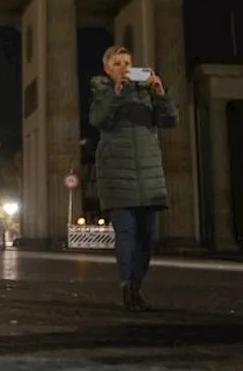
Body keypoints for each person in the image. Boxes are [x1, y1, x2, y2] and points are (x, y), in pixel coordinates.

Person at [88, 45, 177, 311]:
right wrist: (118, 93)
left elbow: (170, 120)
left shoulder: (146, 94)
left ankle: (136, 285)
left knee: (146, 237)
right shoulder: (103, 93)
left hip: (147, 176)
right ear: (107, 69)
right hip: (117, 175)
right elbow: (98, 120)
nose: (124, 68)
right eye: (117, 64)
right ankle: (127, 286)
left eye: (127, 63)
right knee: (126, 233)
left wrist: (160, 93)